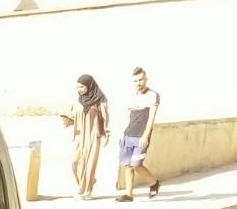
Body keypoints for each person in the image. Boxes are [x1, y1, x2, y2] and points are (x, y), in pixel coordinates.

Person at [60, 74, 110, 199]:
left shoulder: (100, 99)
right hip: (79, 136)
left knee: (89, 163)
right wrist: (66, 118)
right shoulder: (77, 101)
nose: (79, 89)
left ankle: (86, 190)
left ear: (89, 86)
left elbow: (105, 117)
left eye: (82, 87)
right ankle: (84, 185)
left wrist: (107, 133)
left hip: (93, 136)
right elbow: (70, 116)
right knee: (75, 162)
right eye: (77, 87)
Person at [118, 66, 162, 201]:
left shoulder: (153, 95)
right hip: (128, 135)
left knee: (136, 164)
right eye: (136, 81)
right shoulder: (131, 96)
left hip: (141, 136)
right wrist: (122, 134)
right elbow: (128, 116)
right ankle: (129, 194)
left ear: (146, 79)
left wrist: (145, 136)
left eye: (141, 80)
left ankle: (154, 183)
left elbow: (151, 118)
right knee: (127, 165)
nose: (139, 83)